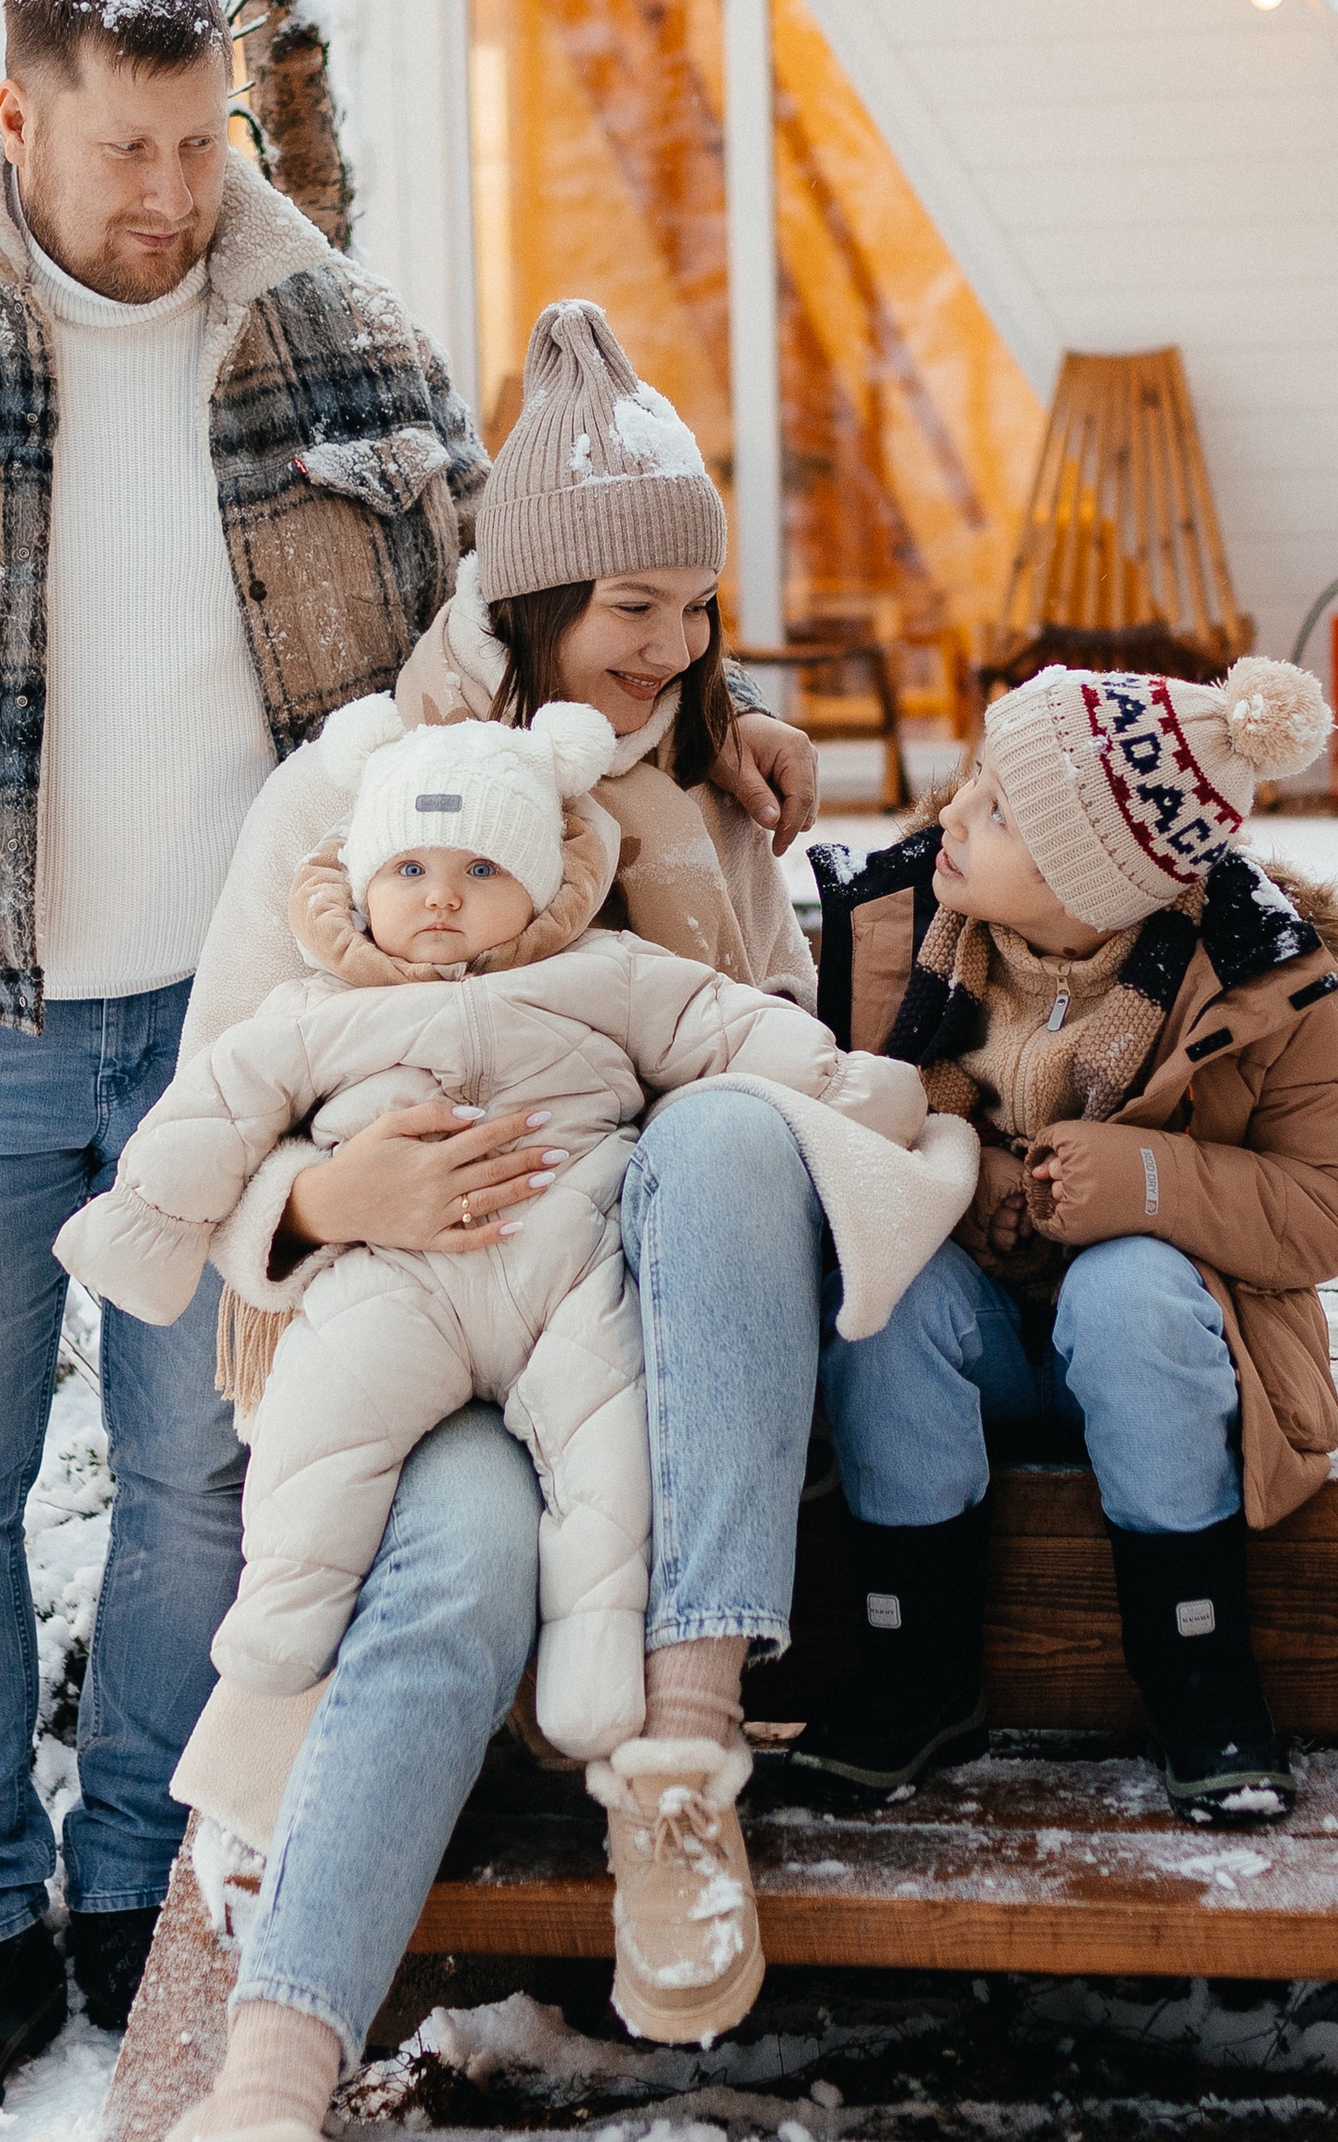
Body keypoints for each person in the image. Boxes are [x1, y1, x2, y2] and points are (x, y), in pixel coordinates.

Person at [0, 0, 814, 2142]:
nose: (172, 191)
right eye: (125, 148)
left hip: (269, 1036)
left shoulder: (345, 343)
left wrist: (710, 703)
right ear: (16, 120)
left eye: (201, 146)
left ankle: (124, 1894)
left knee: (210, 1482)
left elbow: (523, 603)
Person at [130, 301, 944, 2142]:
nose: (669, 649)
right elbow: (219, 1104)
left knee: (727, 1128)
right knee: (451, 1572)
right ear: (534, 593)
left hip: (634, 1339)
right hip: (404, 1338)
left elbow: (744, 1083)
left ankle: (681, 1770)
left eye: (697, 613)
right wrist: (321, 1195)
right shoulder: (354, 787)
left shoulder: (708, 784)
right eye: (634, 607)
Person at [61, 684, 954, 1851]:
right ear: (357, 883)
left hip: (569, 1279)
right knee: (320, 1427)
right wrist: (147, 1221)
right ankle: (283, 1621)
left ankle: (596, 1671)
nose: (442, 897)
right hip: (395, 1283)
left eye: (483, 872)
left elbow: (732, 1027)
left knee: (611, 1459)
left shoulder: (605, 971)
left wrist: (842, 1087)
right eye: (411, 872)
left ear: (543, 883)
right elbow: (215, 1108)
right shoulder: (313, 1008)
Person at [806, 651, 1338, 1818]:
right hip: (970, 1346)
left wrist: (1150, 1180)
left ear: (1099, 882)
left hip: (1162, 1352)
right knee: (886, 1292)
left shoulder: (1256, 975)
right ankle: (912, 1665)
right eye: (973, 784)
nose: (952, 816)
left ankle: (1196, 1667)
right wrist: (950, 1170)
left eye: (999, 811)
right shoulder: (897, 931)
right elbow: (826, 1120)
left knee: (1128, 1284)